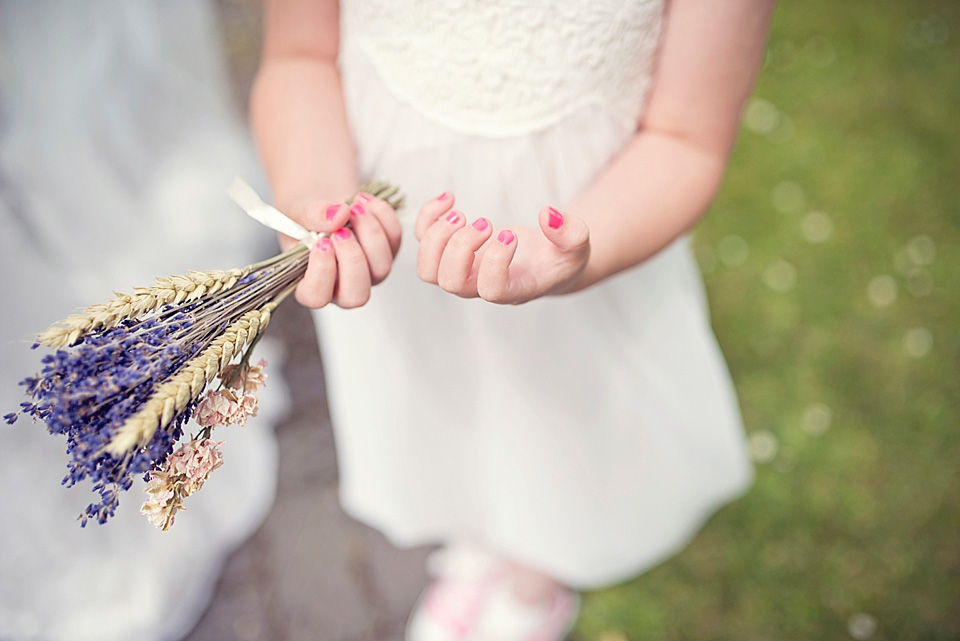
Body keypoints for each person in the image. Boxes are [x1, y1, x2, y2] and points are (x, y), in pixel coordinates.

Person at [251, 0, 775, 639]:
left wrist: (574, 261)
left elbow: (687, 136)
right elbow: (299, 53)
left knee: (554, 423)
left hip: (593, 227)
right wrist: (316, 190)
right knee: (445, 405)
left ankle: (533, 582)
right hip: (394, 232)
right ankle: (478, 543)